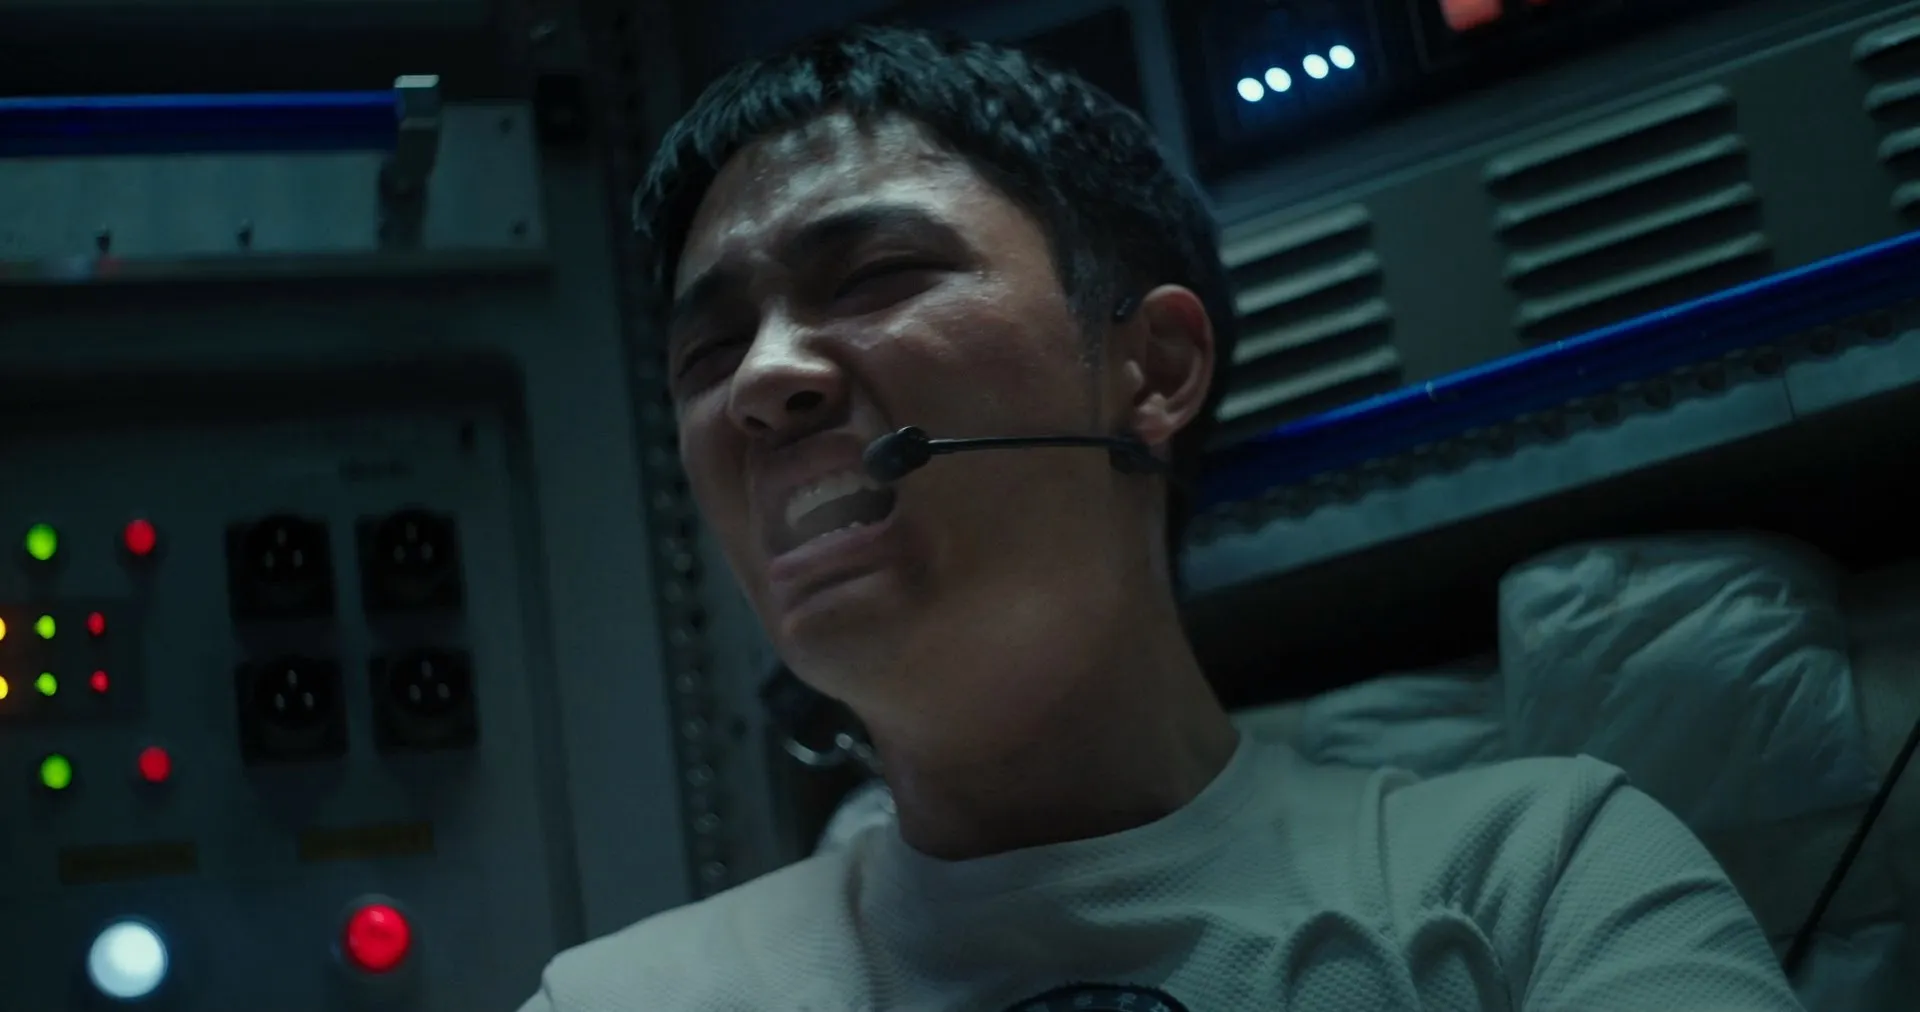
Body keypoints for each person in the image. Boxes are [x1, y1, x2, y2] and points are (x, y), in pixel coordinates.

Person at [518, 25, 1805, 1012]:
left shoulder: (1539, 883)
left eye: (874, 275)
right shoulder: (624, 1000)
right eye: (708, 352)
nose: (761, 379)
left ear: (1155, 368)